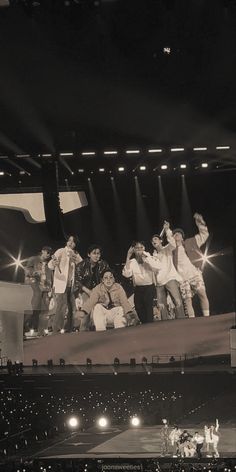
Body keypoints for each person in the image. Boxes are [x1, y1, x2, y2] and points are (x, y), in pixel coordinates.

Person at [172, 213, 210, 317]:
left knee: (202, 294)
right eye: (174, 234)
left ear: (182, 236)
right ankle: (192, 321)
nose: (177, 235)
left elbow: (204, 235)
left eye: (179, 233)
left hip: (195, 274)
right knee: (187, 300)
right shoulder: (171, 250)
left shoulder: (191, 242)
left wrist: (200, 223)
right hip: (182, 278)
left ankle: (207, 318)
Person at [151, 221, 185, 320]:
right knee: (162, 307)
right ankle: (165, 328)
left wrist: (167, 230)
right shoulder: (153, 256)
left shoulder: (167, 249)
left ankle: (183, 324)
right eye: (152, 240)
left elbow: (173, 243)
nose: (154, 241)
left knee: (178, 302)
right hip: (160, 283)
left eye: (156, 239)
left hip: (170, 279)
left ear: (161, 241)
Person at [48, 235, 82, 333]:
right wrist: (53, 264)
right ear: (67, 242)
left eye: (73, 241)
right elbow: (50, 264)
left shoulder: (76, 254)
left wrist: (76, 259)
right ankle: (56, 330)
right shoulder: (61, 251)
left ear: (75, 244)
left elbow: (83, 265)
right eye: (69, 241)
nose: (71, 243)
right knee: (61, 307)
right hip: (61, 283)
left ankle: (69, 328)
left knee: (72, 307)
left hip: (71, 285)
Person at [122, 241, 160, 324]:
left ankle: (150, 325)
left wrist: (147, 257)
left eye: (141, 248)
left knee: (148, 306)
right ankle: (145, 325)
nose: (139, 250)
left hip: (149, 287)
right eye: (137, 248)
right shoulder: (132, 262)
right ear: (134, 250)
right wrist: (128, 256)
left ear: (144, 248)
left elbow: (157, 267)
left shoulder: (149, 258)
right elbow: (126, 274)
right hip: (138, 288)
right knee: (138, 307)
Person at [24, 246, 53, 336]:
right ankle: (22, 329)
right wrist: (35, 273)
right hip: (34, 287)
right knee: (32, 309)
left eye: (49, 253)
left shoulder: (48, 264)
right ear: (42, 251)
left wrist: (50, 288)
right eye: (47, 252)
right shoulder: (34, 259)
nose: (48, 254)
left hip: (45, 289)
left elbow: (50, 277)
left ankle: (42, 332)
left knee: (45, 311)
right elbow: (27, 270)